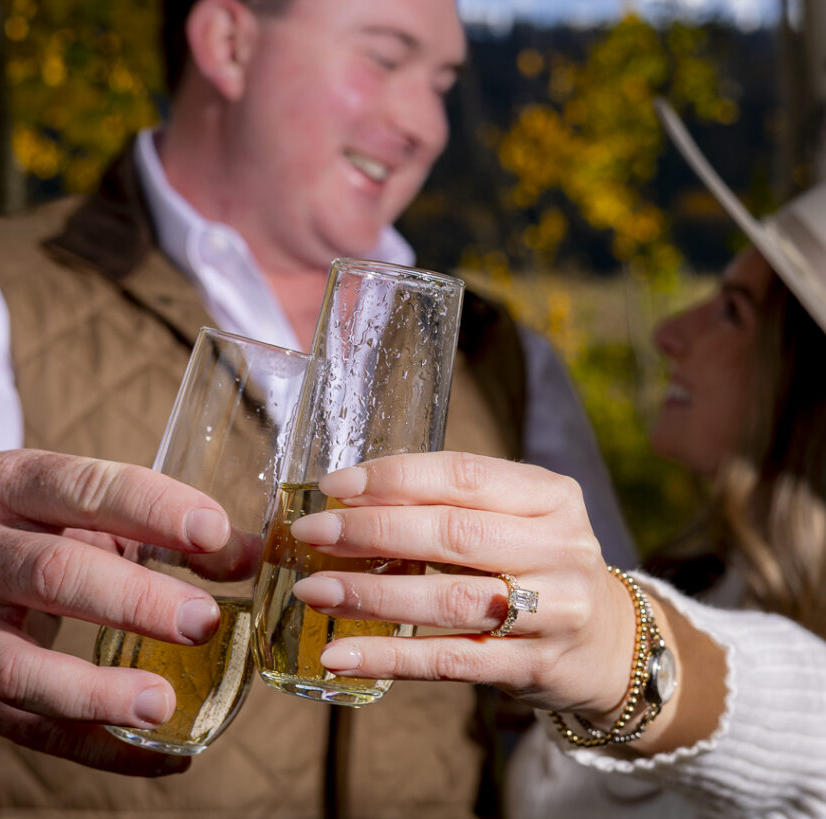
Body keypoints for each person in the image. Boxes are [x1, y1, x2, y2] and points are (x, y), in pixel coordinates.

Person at [0, 1, 634, 816]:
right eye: (385, 57)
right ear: (228, 43)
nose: (426, 123)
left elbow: (603, 695)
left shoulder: (500, 356)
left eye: (442, 80)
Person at [289, 101, 826, 817]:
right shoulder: (704, 577)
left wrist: (623, 646)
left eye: (732, 310)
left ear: (808, 382)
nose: (670, 332)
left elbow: (801, 716)